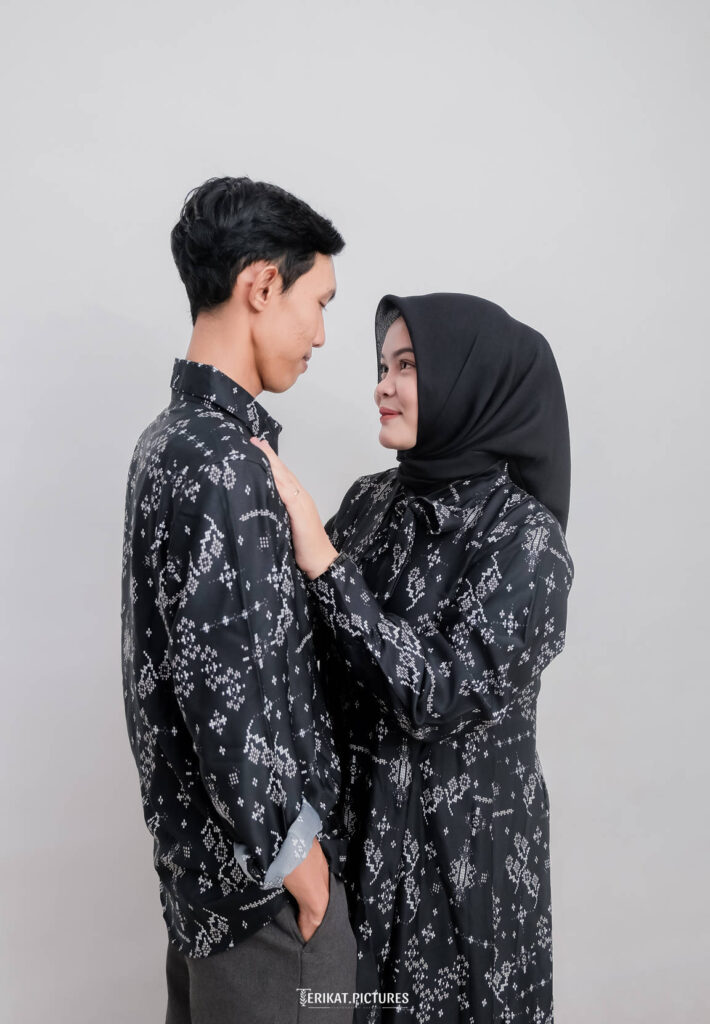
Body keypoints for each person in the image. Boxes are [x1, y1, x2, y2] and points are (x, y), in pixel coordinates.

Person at [252, 291, 575, 1023]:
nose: (382, 386)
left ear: (470, 384)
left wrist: (325, 562)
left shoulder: (525, 540)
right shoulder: (372, 504)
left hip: (463, 878)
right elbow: (308, 653)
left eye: (406, 366)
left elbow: (438, 695)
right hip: (358, 854)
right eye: (381, 366)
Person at [121, 175, 358, 1024]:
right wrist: (302, 866)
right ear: (261, 286)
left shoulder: (165, 441)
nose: (322, 334)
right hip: (267, 913)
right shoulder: (223, 460)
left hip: (208, 897)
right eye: (318, 303)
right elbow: (222, 696)